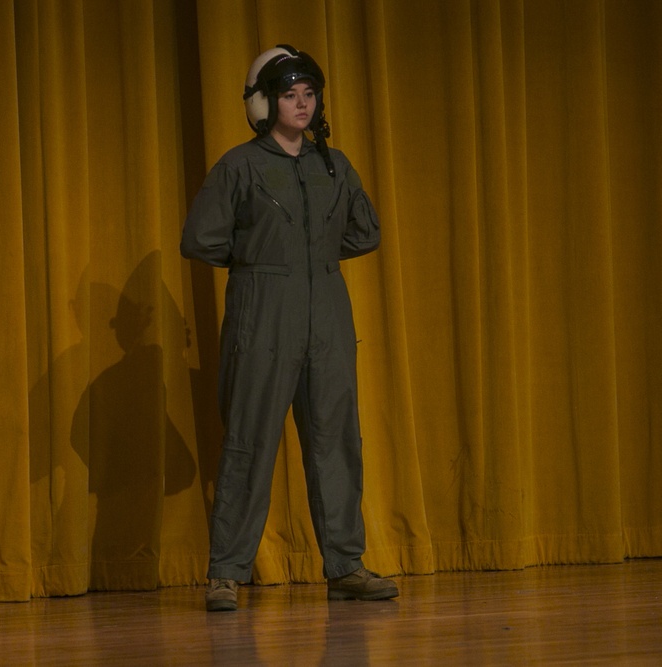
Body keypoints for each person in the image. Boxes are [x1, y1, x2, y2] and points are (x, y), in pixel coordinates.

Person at [180, 44, 398, 612]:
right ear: (265, 103)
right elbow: (200, 239)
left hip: (326, 306)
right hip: (264, 309)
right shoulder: (240, 165)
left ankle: (346, 565)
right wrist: (263, 260)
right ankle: (227, 572)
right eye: (289, 95)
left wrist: (312, 256)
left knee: (336, 440)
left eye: (309, 95)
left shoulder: (335, 163)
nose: (301, 105)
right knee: (250, 439)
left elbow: (366, 231)